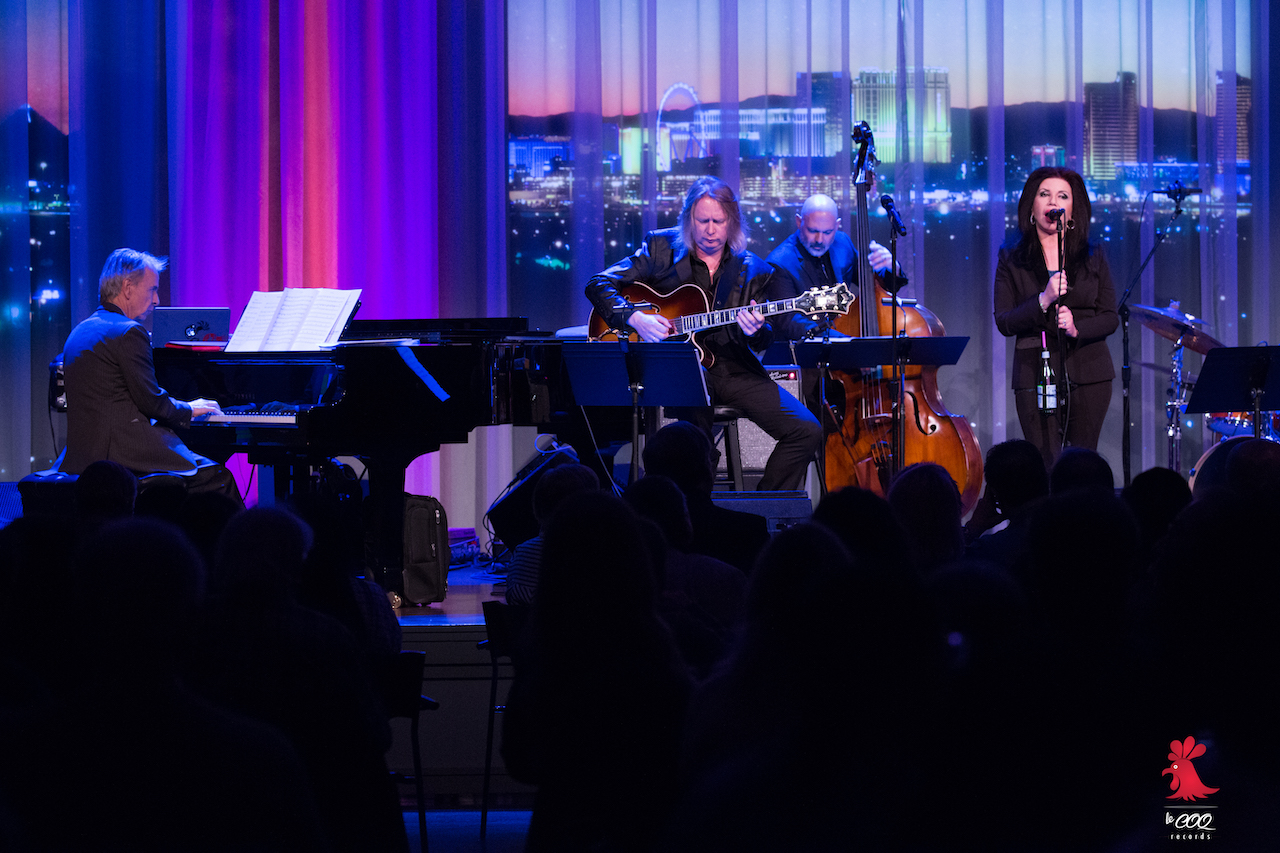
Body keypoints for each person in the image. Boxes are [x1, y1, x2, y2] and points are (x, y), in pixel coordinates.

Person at [586, 176, 823, 491]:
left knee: (807, 430)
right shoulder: (661, 249)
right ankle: (696, 512)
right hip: (681, 366)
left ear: (732, 222)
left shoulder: (754, 270)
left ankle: (765, 511)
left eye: (718, 221)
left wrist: (755, 331)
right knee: (696, 421)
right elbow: (597, 284)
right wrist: (636, 319)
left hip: (735, 371)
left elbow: (765, 336)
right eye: (703, 221)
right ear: (688, 219)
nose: (711, 230)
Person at [58, 248, 239, 499]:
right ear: (128, 287)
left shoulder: (80, 330)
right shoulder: (129, 332)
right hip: (125, 453)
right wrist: (190, 408)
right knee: (219, 478)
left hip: (84, 455)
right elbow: (152, 402)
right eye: (153, 289)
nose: (157, 300)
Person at [994, 167, 1118, 468]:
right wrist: (1043, 300)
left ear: (1073, 210)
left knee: (1081, 464)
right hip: (1034, 370)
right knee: (1045, 463)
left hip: (1089, 371)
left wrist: (1077, 327)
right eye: (1044, 194)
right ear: (1031, 207)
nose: (1053, 201)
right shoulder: (1011, 257)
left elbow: (1110, 317)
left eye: (1063, 196)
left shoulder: (1093, 254)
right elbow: (1005, 321)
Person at [765, 192, 900, 298]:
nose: (819, 239)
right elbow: (790, 322)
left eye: (828, 232)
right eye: (813, 231)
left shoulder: (842, 242)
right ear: (799, 222)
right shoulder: (779, 263)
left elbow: (872, 284)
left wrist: (892, 268)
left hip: (844, 330)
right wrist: (843, 335)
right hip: (811, 333)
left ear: (837, 226)